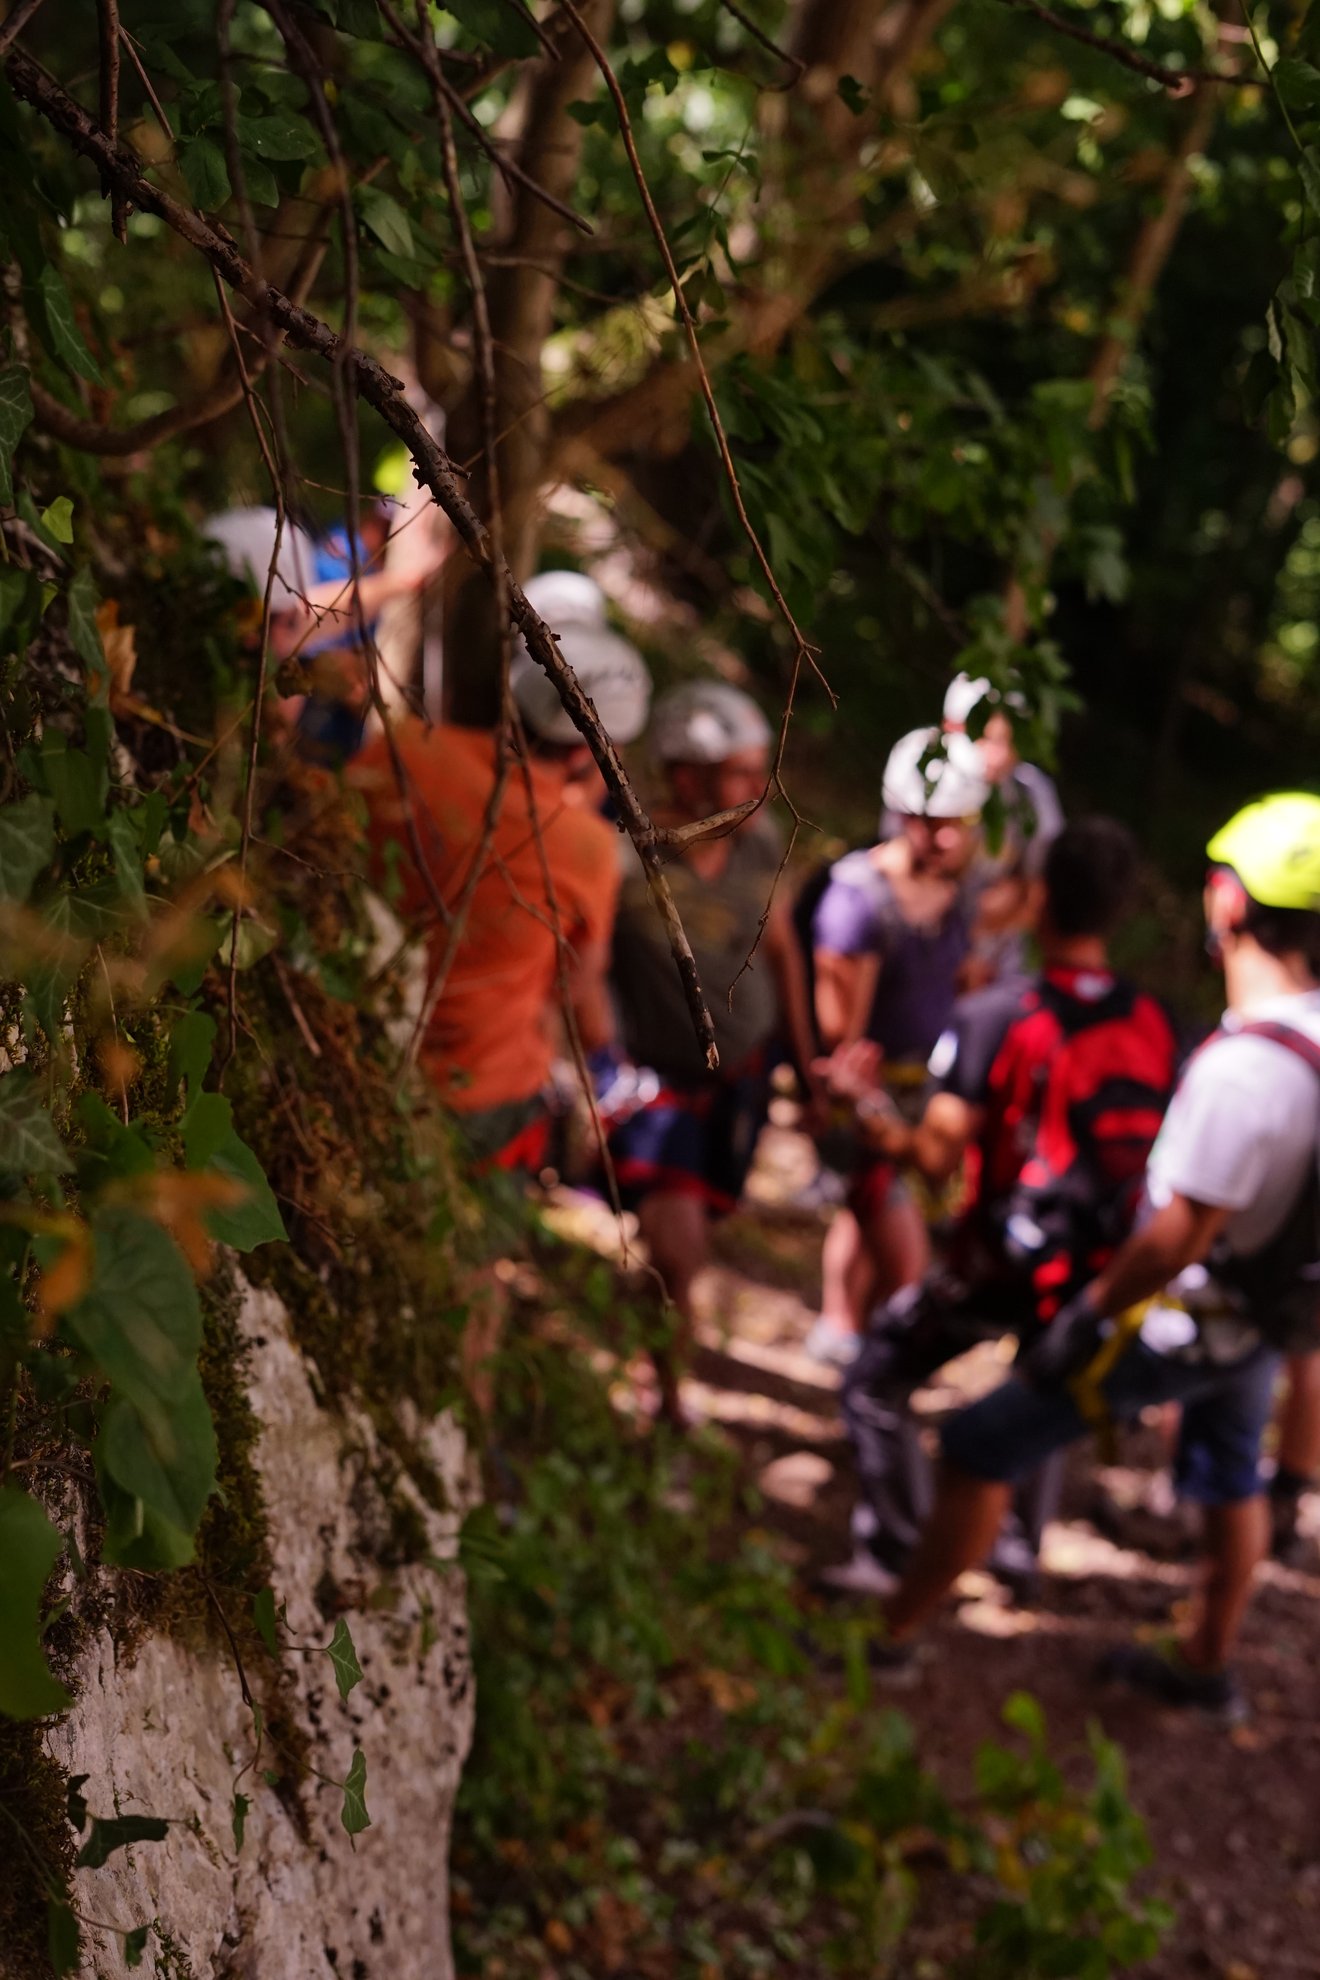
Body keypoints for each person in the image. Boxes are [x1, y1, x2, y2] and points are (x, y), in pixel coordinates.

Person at [874, 792, 1320, 1720]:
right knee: (1230, 1474)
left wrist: (1086, 1320)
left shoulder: (1245, 1069)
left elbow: (1177, 1235)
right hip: (1265, 1315)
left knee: (978, 1441)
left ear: (1229, 901)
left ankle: (894, 1641)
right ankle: (1206, 1664)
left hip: (1183, 1315)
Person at [818, 819, 1176, 1598]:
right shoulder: (1154, 1023)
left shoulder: (998, 1015)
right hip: (1095, 1268)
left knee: (874, 1380)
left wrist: (869, 1113)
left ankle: (900, 1552)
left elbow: (936, 1158)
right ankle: (1017, 1548)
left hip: (999, 1260)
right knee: (1041, 1384)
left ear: (1039, 901)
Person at [349, 610, 651, 1171]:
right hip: (476, 1092)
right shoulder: (586, 847)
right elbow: (575, 980)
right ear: (592, 750)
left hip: (347, 1038)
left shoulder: (408, 745)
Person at [606, 681, 818, 1422]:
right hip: (658, 1089)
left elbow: (785, 947)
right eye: (737, 774)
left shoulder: (759, 845)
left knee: (689, 1236)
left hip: (742, 1084)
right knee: (682, 1244)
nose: (755, 792)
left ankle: (648, 1336)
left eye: (759, 773)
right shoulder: (626, 849)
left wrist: (805, 1058)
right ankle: (665, 1394)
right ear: (686, 774)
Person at [805, 727, 990, 1367]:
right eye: (925, 821)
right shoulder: (858, 900)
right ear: (898, 812)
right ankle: (881, 1376)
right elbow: (842, 1037)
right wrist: (859, 1104)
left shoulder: (957, 894)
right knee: (905, 1255)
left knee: (867, 1222)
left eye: (954, 823)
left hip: (922, 1092)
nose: (940, 837)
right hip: (868, 1099)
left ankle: (840, 1333)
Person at [943, 672, 1064, 984]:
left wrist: (978, 933)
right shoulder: (926, 781)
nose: (996, 755)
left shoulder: (1032, 797)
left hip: (997, 972)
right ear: (951, 727)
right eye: (985, 737)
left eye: (1008, 740)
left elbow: (1037, 894)